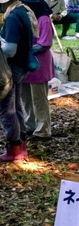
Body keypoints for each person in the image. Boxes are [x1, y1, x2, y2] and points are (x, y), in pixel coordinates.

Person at [0, 0, 35, 162]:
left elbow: (10, 50)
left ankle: (14, 149)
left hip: (12, 68)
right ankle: (21, 145)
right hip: (21, 66)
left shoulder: (13, 17)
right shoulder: (22, 11)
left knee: (7, 109)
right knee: (16, 106)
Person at [21, 0, 53, 140]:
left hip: (39, 64)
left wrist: (23, 49)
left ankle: (43, 130)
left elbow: (44, 44)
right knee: (26, 97)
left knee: (39, 99)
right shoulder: (28, 19)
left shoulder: (43, 19)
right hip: (26, 63)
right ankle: (30, 125)